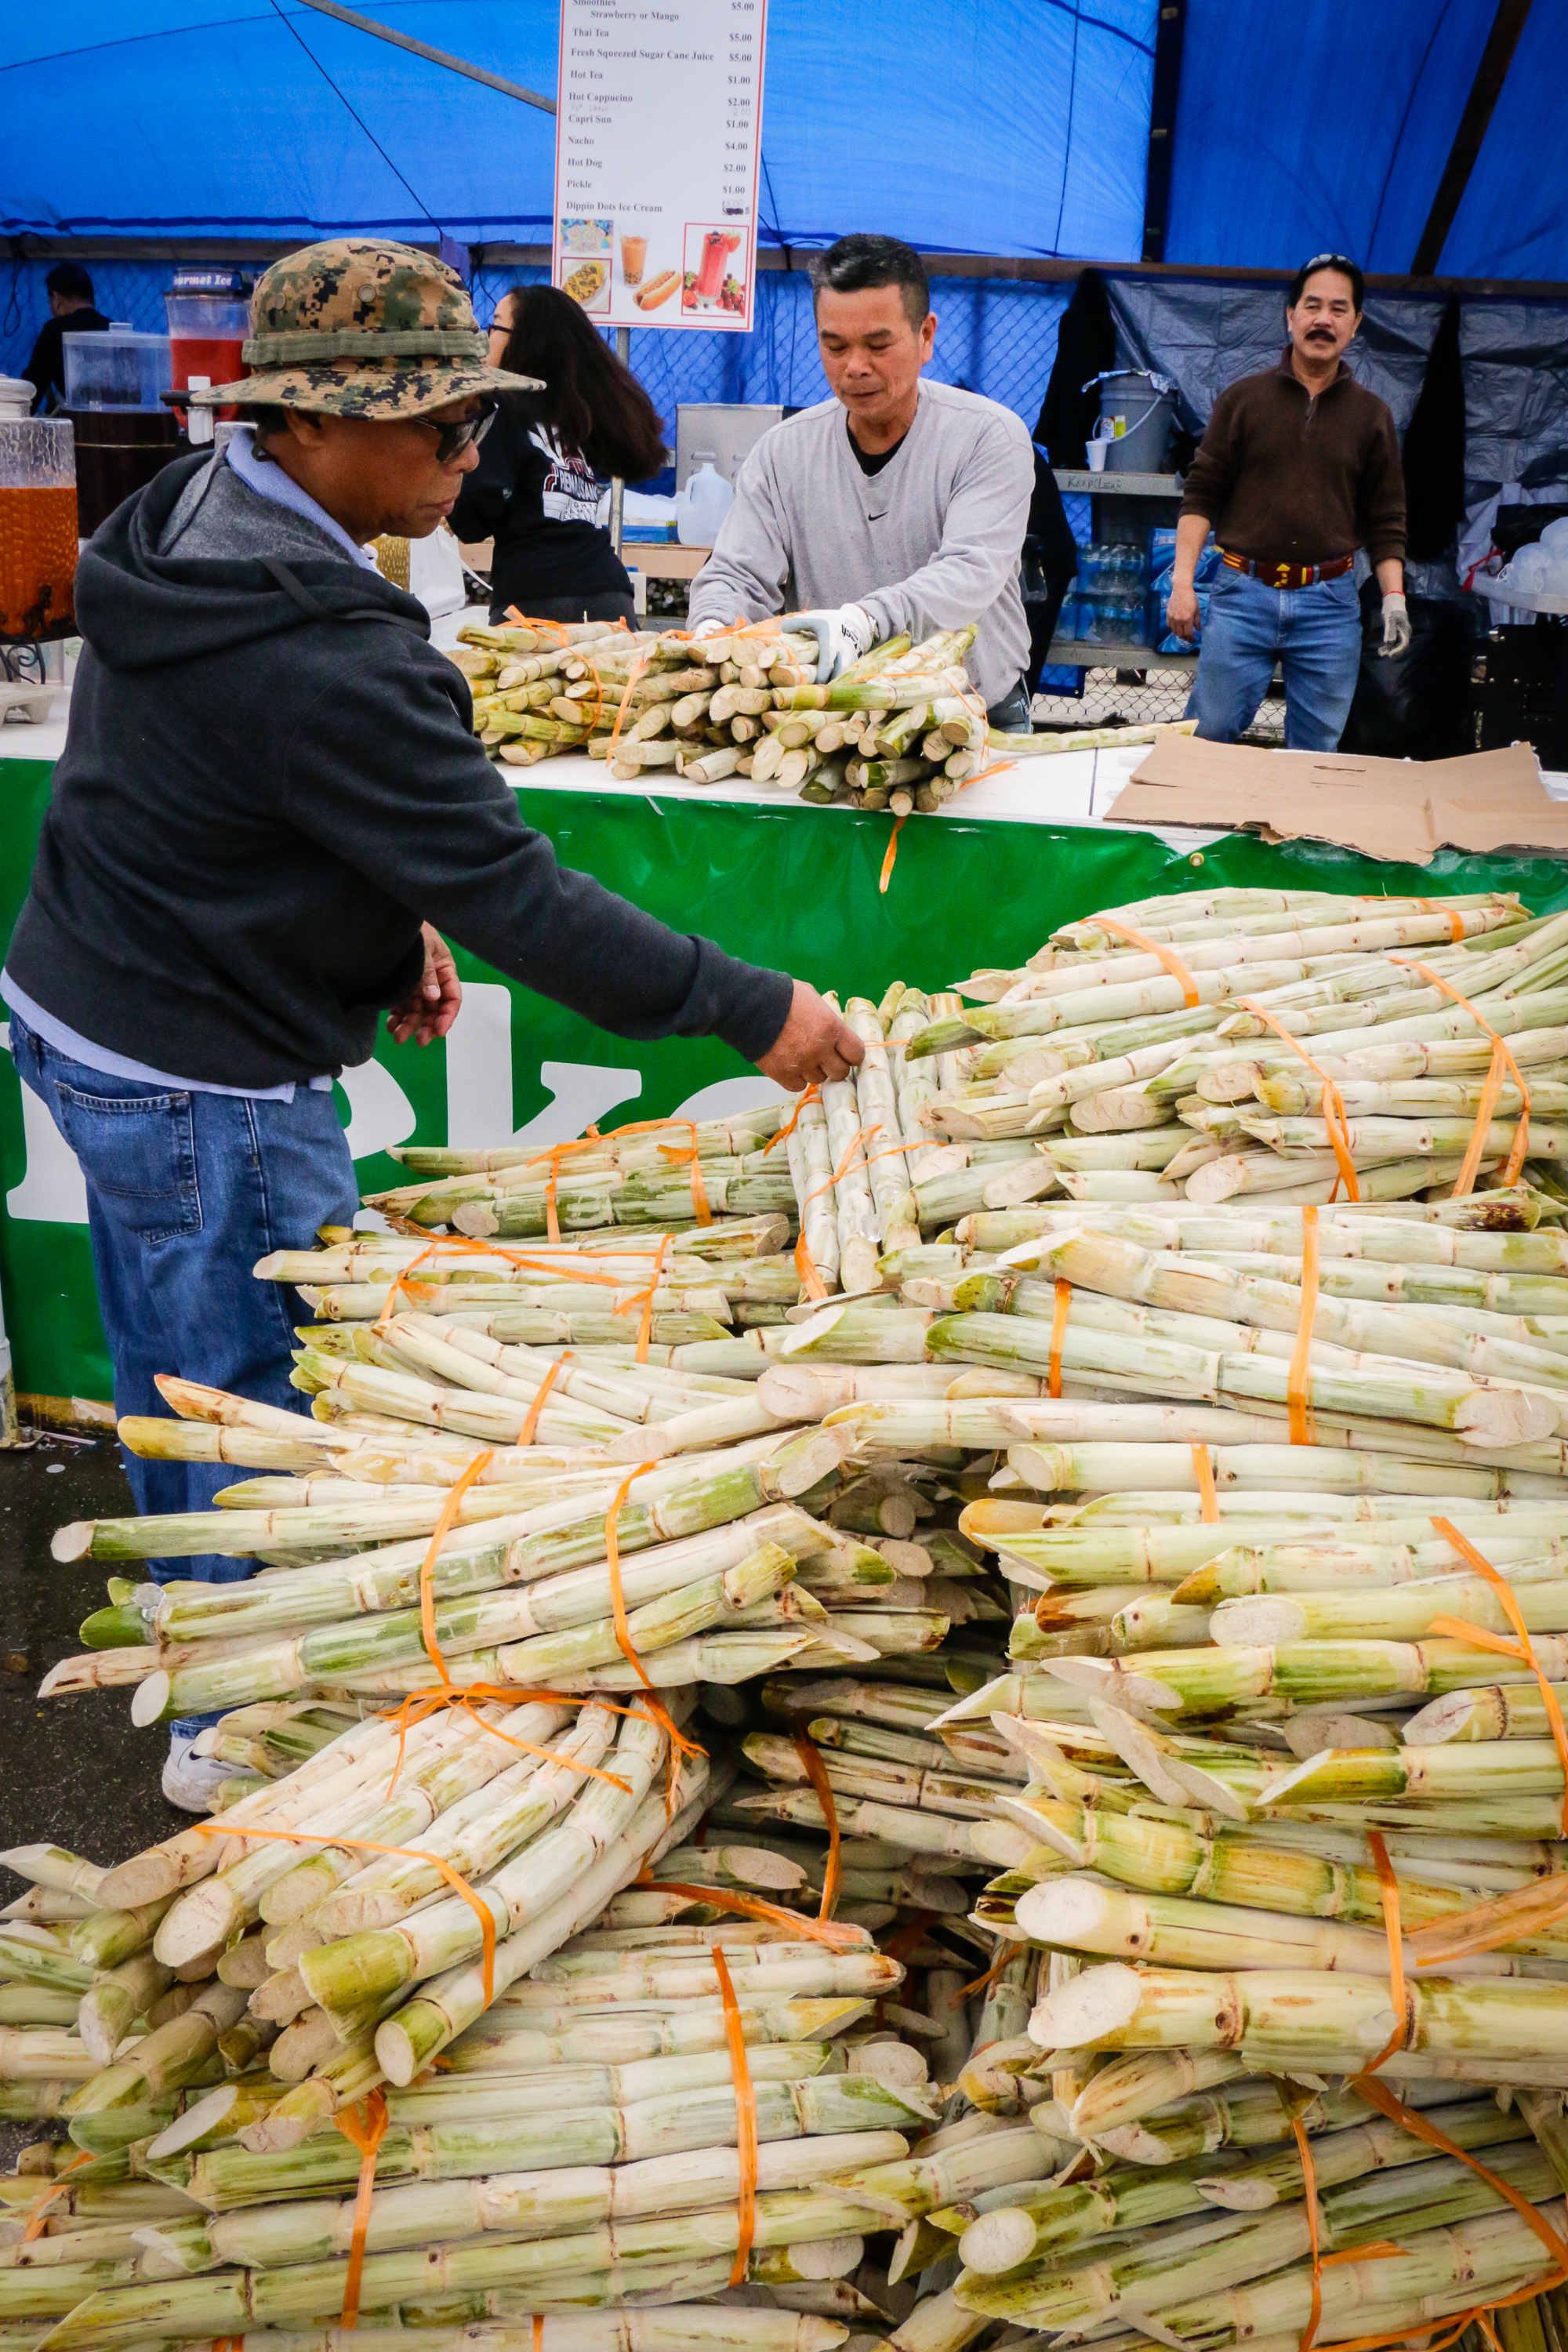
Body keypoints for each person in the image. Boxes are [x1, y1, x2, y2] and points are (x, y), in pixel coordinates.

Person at [1, 237, 861, 1809]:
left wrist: (377, 922)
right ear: (304, 424)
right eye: (440, 423)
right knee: (248, 1394)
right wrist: (753, 1010)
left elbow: (228, 794)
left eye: (478, 416)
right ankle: (230, 1733)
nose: (474, 450)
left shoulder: (191, 519)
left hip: (95, 997)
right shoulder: (319, 648)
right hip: (196, 1070)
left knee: (179, 1364)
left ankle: (205, 1660)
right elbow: (517, 894)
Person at [687, 234, 1035, 725]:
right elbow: (737, 574)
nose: (854, 367)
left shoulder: (989, 436)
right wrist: (713, 628)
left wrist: (864, 622)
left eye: (878, 345)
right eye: (834, 346)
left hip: (971, 714)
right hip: (829, 719)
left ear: (926, 336)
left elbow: (968, 572)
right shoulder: (783, 452)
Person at [1168, 252, 1410, 752]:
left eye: (1339, 309)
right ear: (1291, 316)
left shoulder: (1373, 416)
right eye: (1313, 306)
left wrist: (1394, 598)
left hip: (1330, 604)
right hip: (1242, 594)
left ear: (1356, 324)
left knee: (1316, 751)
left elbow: (1387, 519)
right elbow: (1201, 494)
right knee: (1206, 737)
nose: (1324, 320)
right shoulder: (1243, 400)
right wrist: (1182, 583)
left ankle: (1296, 810)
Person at [451, 285, 666, 627]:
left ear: (525, 341)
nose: (485, 340)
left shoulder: (503, 404)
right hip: (611, 595)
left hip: (537, 600)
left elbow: (471, 517)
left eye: (494, 326)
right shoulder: (574, 414)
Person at [22, 261, 111, 413]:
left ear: (56, 299)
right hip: (119, 423)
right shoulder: (113, 329)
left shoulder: (55, 330)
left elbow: (31, 391)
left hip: (79, 423)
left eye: (49, 301)